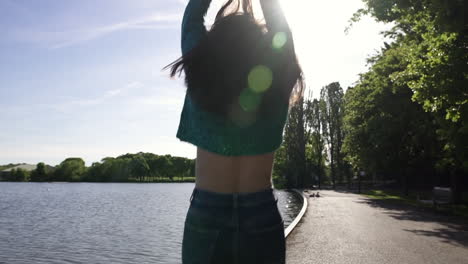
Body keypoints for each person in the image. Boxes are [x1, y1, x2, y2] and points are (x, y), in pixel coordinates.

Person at [165, 0, 303, 263]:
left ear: (213, 46)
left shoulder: (201, 68)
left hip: (207, 212)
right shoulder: (277, 72)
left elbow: (193, 17)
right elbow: (279, 25)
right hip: (261, 210)